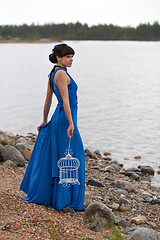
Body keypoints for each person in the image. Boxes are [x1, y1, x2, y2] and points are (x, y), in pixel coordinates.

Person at [20, 43, 85, 211]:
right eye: (68, 57)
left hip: (60, 117)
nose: (71, 60)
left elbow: (48, 101)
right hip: (64, 119)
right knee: (74, 154)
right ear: (58, 58)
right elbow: (65, 101)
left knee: (62, 156)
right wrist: (71, 123)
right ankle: (66, 200)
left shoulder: (52, 74)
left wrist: (44, 120)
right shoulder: (61, 74)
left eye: (72, 57)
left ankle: (62, 198)